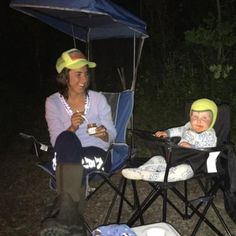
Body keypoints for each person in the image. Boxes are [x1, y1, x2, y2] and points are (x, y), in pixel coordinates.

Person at [42, 48, 116, 235]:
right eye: (78, 74)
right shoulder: (53, 102)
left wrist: (103, 134)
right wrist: (72, 128)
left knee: (67, 167)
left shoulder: (98, 100)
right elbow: (56, 141)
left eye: (85, 74)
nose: (84, 79)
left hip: (96, 154)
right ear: (65, 77)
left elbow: (112, 134)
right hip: (67, 152)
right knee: (67, 139)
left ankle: (67, 216)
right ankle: (73, 222)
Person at [122, 98, 218, 182]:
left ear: (212, 120)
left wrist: (192, 147)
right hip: (178, 157)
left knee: (183, 171)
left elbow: (209, 150)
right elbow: (177, 130)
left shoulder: (210, 135)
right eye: (195, 117)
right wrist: (167, 133)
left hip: (196, 164)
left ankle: (150, 175)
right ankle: (139, 171)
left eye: (204, 118)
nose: (198, 120)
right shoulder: (187, 127)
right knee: (158, 159)